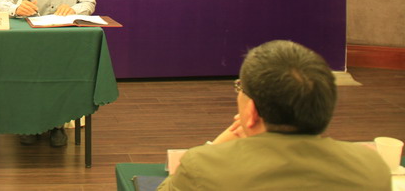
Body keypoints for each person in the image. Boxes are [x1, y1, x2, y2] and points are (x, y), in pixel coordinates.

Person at [157, 40, 392, 191]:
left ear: (252, 111)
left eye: (240, 88)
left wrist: (213, 149)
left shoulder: (202, 168)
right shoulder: (371, 167)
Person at [0, 0, 96, 147]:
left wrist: (74, 9)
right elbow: (0, 3)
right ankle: (28, 124)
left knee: (60, 79)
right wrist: (17, 8)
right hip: (30, 38)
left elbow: (89, 3)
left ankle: (57, 124)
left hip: (64, 37)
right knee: (27, 79)